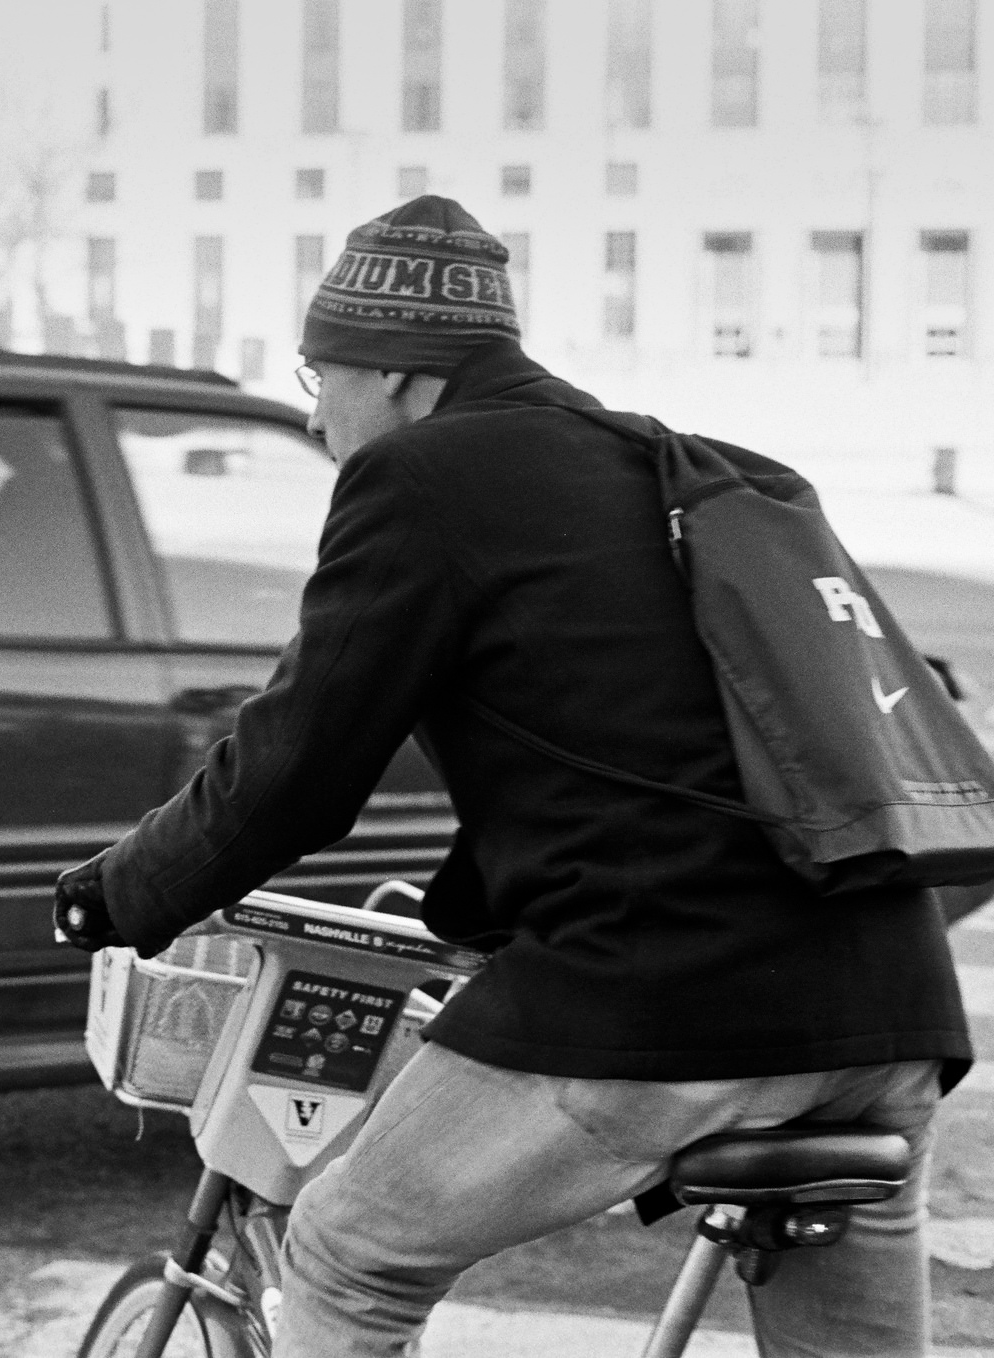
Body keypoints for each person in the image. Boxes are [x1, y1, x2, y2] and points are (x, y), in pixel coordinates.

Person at [53, 196, 972, 1358]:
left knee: (347, 1253)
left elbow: (293, 764)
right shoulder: (663, 466)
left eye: (313, 377)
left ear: (391, 370)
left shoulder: (424, 478)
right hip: (884, 1003)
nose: (314, 414)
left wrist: (113, 894)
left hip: (677, 989)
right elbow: (632, 737)